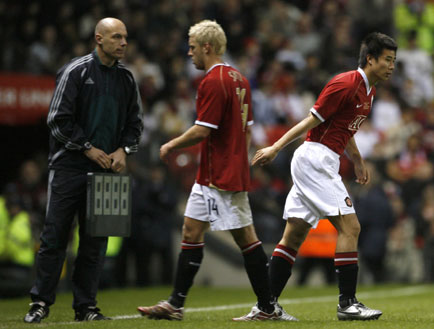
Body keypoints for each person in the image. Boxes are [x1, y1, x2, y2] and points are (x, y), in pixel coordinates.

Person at [136, 20, 295, 322]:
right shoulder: (240, 79)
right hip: (214, 173)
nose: (189, 53)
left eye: (193, 47)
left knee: (246, 238)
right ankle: (175, 304)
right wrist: (239, 158)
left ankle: (268, 306)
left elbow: (202, 131)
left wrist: (171, 145)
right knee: (191, 231)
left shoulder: (213, 81)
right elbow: (247, 131)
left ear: (207, 47)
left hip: (221, 175)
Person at [251, 32, 397, 321]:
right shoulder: (345, 84)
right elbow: (310, 121)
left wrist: (356, 158)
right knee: (350, 227)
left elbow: (344, 128)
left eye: (394, 61)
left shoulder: (369, 90)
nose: (392, 66)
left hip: (322, 159)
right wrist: (276, 147)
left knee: (294, 234)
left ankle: (266, 307)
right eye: (388, 60)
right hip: (315, 158)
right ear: (370, 59)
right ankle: (347, 303)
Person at [23, 17, 143, 323]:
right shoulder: (75, 71)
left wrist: (123, 150)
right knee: (54, 238)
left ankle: (86, 306)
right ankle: (39, 303)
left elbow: (135, 125)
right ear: (98, 39)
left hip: (105, 173)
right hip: (69, 167)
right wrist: (87, 147)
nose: (124, 43)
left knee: (95, 243)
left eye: (125, 37)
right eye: (117, 37)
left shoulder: (127, 79)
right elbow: (57, 119)